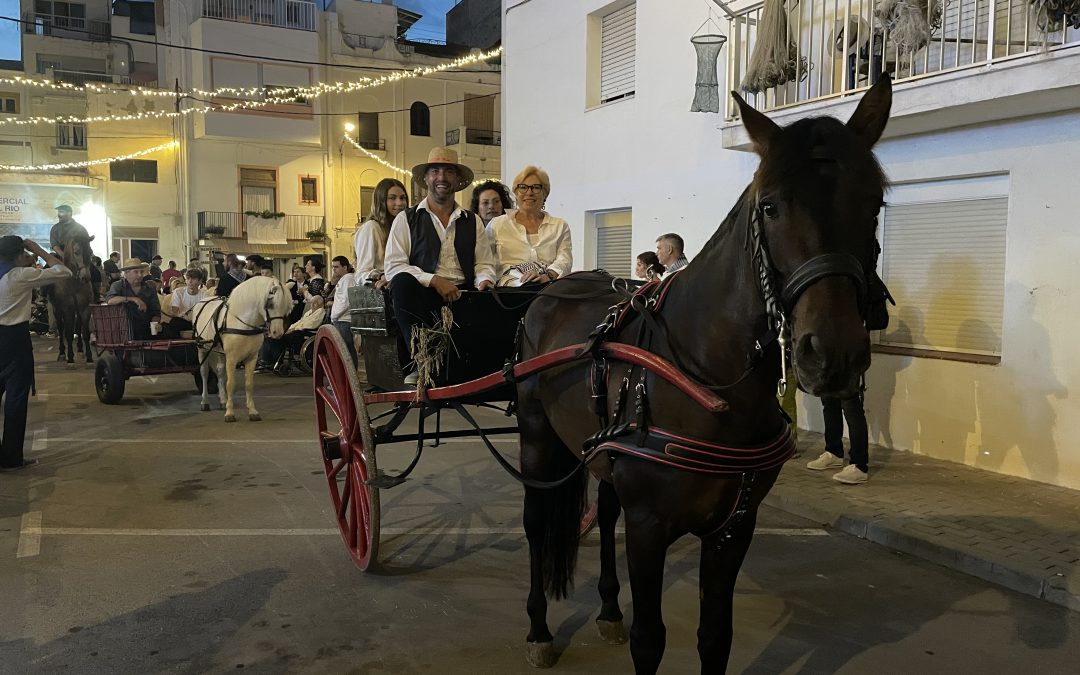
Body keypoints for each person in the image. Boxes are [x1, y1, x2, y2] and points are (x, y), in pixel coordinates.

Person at [384, 146, 497, 385]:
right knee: (402, 282)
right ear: (426, 178)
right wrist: (434, 280)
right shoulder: (407, 218)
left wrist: (485, 280)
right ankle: (421, 360)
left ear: (456, 179)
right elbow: (394, 266)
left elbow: (484, 263)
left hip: (464, 294)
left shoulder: (472, 220)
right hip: (421, 297)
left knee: (499, 300)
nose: (441, 178)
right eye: (435, 171)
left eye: (448, 172)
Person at [0, 236, 71, 471]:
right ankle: (10, 457)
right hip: (14, 341)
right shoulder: (19, 276)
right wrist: (38, 250)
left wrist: (26, 256)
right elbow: (63, 271)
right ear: (18, 255)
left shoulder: (13, 272)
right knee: (16, 399)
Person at [487, 166, 572, 287]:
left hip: (548, 291)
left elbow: (565, 259)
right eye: (523, 187)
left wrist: (547, 276)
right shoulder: (497, 225)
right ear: (516, 193)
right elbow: (484, 261)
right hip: (508, 295)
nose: (529, 192)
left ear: (545, 193)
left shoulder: (560, 226)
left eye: (536, 187)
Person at [355, 178, 408, 289]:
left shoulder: (404, 227)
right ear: (381, 201)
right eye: (392, 198)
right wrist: (381, 276)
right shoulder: (371, 227)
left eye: (402, 198)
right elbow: (361, 273)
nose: (399, 203)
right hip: (383, 294)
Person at [807, 392, 870, 484]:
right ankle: (834, 453)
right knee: (829, 404)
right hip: (829, 377)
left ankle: (859, 465)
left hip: (848, 379)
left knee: (852, 408)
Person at [106, 258, 161, 339]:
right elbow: (111, 300)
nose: (140, 275)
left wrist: (154, 323)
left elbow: (156, 311)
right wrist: (134, 299)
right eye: (136, 272)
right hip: (123, 329)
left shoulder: (149, 288)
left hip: (145, 328)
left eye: (141, 272)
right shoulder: (118, 285)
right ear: (126, 273)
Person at [162, 268, 208, 338]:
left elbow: (205, 313)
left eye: (193, 278)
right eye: (188, 278)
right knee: (174, 322)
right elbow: (175, 311)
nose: (190, 281)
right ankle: (177, 347)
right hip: (183, 320)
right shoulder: (178, 292)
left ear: (200, 281)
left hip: (198, 321)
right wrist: (183, 316)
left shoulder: (204, 294)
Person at [329, 257, 358, 363]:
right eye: (333, 267)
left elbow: (346, 300)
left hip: (343, 320)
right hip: (340, 319)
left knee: (346, 350)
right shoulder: (344, 279)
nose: (334, 269)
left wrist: (334, 316)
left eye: (336, 267)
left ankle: (351, 376)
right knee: (345, 350)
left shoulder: (348, 278)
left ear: (345, 267)